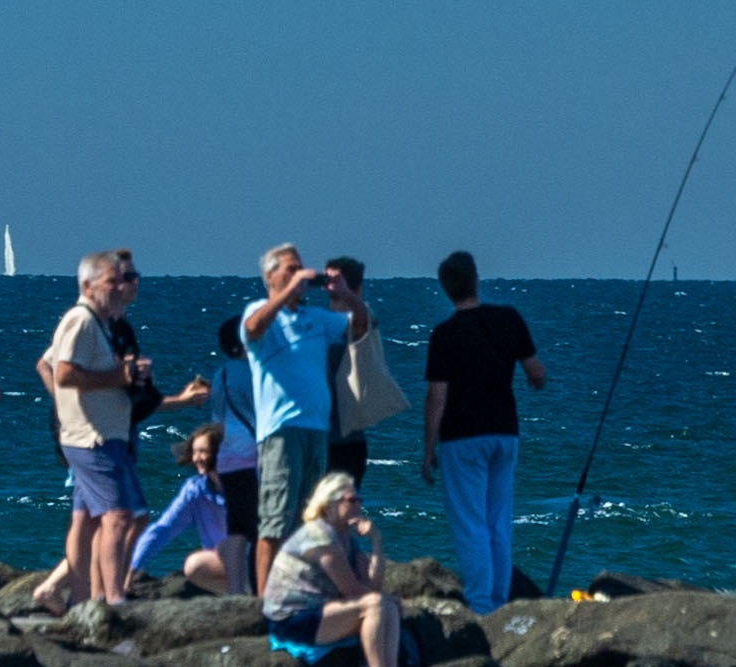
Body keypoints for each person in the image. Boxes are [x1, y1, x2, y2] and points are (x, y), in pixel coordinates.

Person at [416, 252, 545, 612]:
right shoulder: (508, 318)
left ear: (445, 288)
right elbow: (536, 373)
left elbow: (436, 397)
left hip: (461, 437)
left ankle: (480, 603)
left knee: (470, 522)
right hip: (505, 433)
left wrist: (428, 449)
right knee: (498, 521)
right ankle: (500, 600)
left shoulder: (444, 334)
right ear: (475, 278)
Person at [40, 248, 158, 607]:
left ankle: (83, 599)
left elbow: (52, 364)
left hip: (105, 434)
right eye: (112, 281)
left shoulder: (100, 322)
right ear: (89, 285)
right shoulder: (81, 320)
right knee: (118, 517)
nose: (120, 287)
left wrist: (129, 377)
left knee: (89, 518)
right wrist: (117, 376)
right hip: (92, 437)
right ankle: (111, 597)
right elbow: (62, 371)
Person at [232, 242, 346, 595]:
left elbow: (360, 327)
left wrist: (343, 294)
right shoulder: (260, 310)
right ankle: (266, 600)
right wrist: (286, 294)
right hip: (281, 430)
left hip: (316, 428)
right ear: (270, 276)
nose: (299, 273)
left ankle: (297, 591)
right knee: (276, 519)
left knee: (309, 519)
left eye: (301, 267)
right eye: (290, 268)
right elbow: (252, 329)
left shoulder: (315, 319)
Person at [259, 471, 410, 667]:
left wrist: (376, 541)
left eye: (359, 500)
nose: (358, 505)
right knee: (376, 605)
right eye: (351, 500)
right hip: (292, 618)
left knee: (388, 604)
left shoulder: (346, 538)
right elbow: (353, 591)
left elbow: (373, 587)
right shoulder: (319, 536)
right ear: (329, 505)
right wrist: (378, 600)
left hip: (319, 610)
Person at [322, 253, 402, 504]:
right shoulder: (318, 322)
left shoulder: (360, 318)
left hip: (345, 439)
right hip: (314, 437)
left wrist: (348, 295)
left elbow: (360, 322)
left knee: (339, 515)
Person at [126, 423, 242, 594]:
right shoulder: (195, 490)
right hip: (225, 564)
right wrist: (133, 567)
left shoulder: (246, 483)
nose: (196, 458)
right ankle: (242, 598)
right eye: (194, 452)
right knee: (195, 566)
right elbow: (163, 529)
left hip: (253, 559)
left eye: (203, 451)